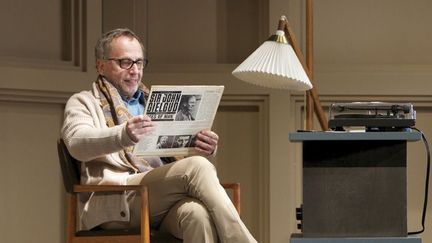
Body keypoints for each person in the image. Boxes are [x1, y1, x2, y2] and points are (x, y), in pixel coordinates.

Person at [61, 28, 257, 243]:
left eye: (140, 62)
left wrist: (203, 145)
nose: (135, 70)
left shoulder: (151, 101)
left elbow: (171, 154)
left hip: (158, 198)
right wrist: (123, 135)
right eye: (125, 62)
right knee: (197, 167)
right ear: (101, 65)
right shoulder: (83, 102)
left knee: (196, 215)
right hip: (117, 200)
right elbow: (76, 144)